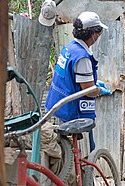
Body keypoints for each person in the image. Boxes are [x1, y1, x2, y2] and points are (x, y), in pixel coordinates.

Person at [45, 11, 111, 152]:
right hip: (73, 111)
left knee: (66, 152)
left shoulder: (70, 48)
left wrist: (93, 82)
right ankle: (83, 173)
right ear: (93, 34)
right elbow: (89, 92)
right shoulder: (83, 57)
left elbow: (71, 77)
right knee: (82, 151)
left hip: (58, 105)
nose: (98, 37)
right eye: (98, 34)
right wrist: (98, 89)